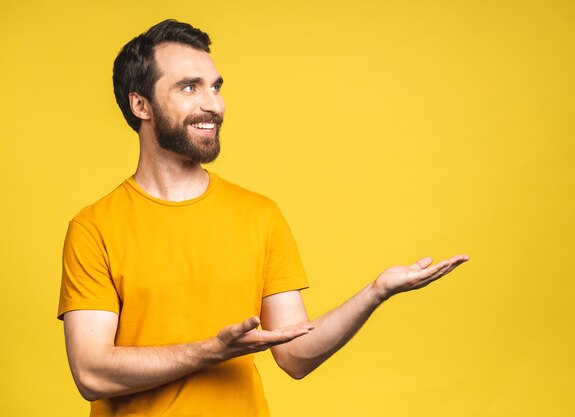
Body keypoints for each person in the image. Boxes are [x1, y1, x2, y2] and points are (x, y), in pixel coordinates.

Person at [58, 19, 469, 417]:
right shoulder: (94, 228)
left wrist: (375, 292)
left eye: (216, 87)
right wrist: (212, 351)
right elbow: (92, 373)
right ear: (140, 104)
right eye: (189, 87)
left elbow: (294, 354)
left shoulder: (259, 215)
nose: (213, 104)